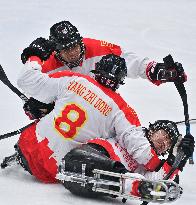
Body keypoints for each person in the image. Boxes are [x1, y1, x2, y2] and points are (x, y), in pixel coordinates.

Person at [14, 54, 194, 199]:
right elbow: (142, 151)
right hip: (56, 169)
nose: (163, 141)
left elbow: (27, 81)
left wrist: (35, 56)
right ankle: (127, 182)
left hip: (26, 145)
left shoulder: (73, 79)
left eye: (168, 141)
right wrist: (167, 162)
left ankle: (128, 182)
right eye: (164, 134)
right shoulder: (120, 110)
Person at [20, 20, 187, 120]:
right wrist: (35, 106)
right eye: (66, 48)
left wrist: (156, 69)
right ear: (55, 50)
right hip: (64, 116)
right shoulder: (45, 64)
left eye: (75, 45)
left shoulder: (96, 48)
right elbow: (28, 84)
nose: (73, 52)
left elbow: (128, 60)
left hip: (97, 109)